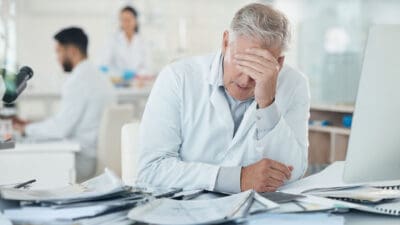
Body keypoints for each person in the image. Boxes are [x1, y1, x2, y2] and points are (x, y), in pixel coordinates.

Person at [136, 3, 310, 193]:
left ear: (279, 63)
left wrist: (267, 104)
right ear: (226, 42)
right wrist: (237, 178)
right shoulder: (178, 78)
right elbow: (151, 171)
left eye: (259, 67)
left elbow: (293, 172)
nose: (245, 80)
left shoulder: (294, 84)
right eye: (241, 62)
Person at [13, 27, 116, 181]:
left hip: (81, 161)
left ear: (72, 51)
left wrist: (25, 130)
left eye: (59, 51)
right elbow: (68, 122)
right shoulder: (101, 77)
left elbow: (61, 129)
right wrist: (31, 125)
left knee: (17, 161)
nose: (57, 57)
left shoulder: (78, 81)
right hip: (95, 157)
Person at [101, 6, 151, 78]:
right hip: (118, 82)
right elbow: (105, 63)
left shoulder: (143, 41)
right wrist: (120, 74)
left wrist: (137, 75)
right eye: (123, 20)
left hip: (138, 82)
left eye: (128, 20)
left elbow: (147, 66)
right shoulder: (113, 40)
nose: (126, 23)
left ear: (135, 21)